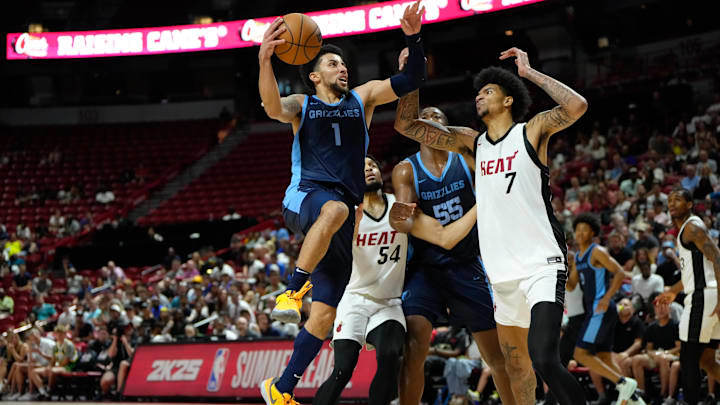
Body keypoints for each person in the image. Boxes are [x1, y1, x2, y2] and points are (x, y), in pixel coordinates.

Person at [392, 47, 588, 404]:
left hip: (541, 264)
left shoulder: (531, 132)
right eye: (478, 92)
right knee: (516, 369)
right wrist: (411, 78)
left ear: (509, 100)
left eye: (489, 91)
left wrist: (529, 73)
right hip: (501, 273)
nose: (479, 95)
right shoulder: (472, 143)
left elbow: (576, 107)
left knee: (544, 357)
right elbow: (407, 125)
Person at [257, 2, 428, 404]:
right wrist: (265, 61)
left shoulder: (362, 99)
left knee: (326, 314)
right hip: (306, 200)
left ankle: (280, 389)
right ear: (315, 75)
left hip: (340, 219)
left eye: (343, 63)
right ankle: (292, 291)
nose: (342, 68)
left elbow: (411, 78)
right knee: (333, 209)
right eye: (332, 64)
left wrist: (414, 38)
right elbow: (271, 107)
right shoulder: (303, 104)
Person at [314, 156, 479, 405]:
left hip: (388, 302)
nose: (369, 168)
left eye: (373, 165)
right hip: (354, 300)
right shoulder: (349, 215)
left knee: (391, 355)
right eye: (363, 166)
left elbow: (438, 234)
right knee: (342, 370)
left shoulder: (400, 208)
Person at [392, 77, 513, 404]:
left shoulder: (466, 157)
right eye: (425, 118)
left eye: (438, 118)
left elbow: (497, 182)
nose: (431, 121)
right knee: (415, 348)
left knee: (496, 355)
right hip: (426, 269)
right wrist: (402, 215)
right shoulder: (406, 170)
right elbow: (402, 220)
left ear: (448, 129)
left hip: (466, 262)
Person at [568, 214, 643, 405]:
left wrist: (607, 297)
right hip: (595, 310)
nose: (580, 233)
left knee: (580, 354)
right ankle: (634, 399)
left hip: (600, 308)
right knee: (603, 357)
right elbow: (571, 285)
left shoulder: (597, 251)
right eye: (577, 230)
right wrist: (560, 268)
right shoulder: (577, 257)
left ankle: (623, 383)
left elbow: (619, 272)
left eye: (584, 229)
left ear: (593, 232)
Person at [659, 188, 720, 405]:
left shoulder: (692, 227)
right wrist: (673, 291)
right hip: (708, 296)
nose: (672, 203)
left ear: (690, 204)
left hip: (704, 298)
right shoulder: (687, 230)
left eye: (677, 199)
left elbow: (718, 258)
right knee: (707, 361)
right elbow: (694, 272)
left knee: (688, 359)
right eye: (669, 200)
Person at [629, 298, 680, 400]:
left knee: (663, 359)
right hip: (656, 356)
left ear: (669, 309)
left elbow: (679, 347)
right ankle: (641, 394)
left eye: (663, 306)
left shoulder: (675, 325)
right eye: (658, 307)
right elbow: (648, 349)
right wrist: (655, 353)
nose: (660, 310)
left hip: (672, 355)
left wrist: (665, 352)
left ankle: (663, 395)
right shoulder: (651, 327)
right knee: (636, 359)